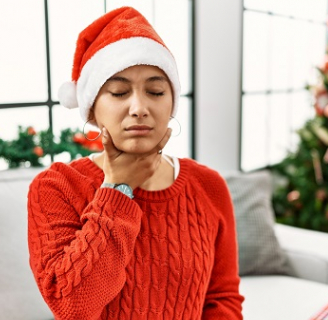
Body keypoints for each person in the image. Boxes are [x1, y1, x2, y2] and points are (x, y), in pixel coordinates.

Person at [27, 7, 244, 320]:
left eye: (155, 91)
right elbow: (72, 307)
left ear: (172, 101)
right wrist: (117, 188)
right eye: (119, 92)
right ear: (91, 109)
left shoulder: (208, 186)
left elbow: (222, 299)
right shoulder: (56, 187)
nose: (139, 108)